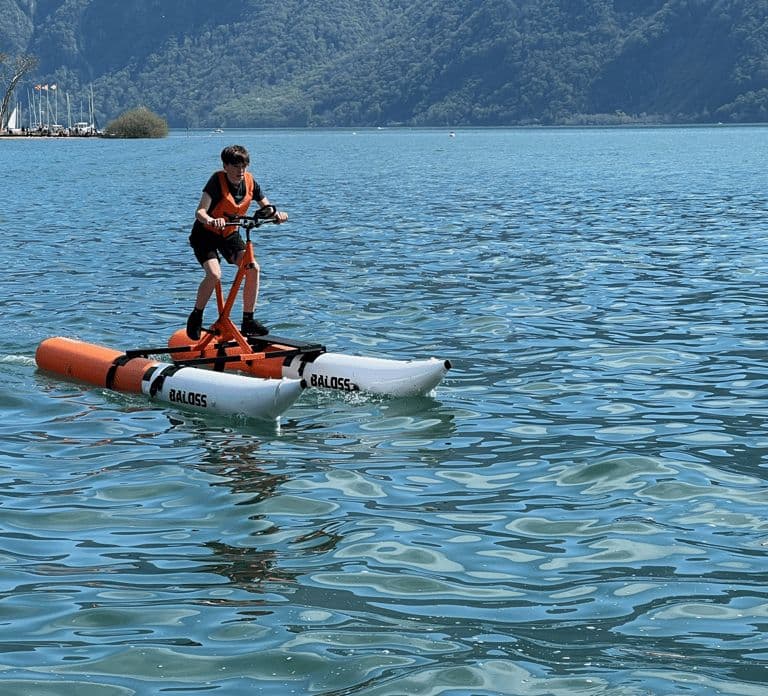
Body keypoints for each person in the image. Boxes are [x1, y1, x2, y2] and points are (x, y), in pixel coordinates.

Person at [186, 144, 287, 340]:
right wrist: (210, 219)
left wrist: (277, 215)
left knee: (252, 268)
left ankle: (248, 320)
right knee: (215, 274)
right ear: (225, 166)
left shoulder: (250, 182)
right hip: (205, 234)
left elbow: (266, 207)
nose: (241, 171)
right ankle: (196, 315)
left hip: (229, 234)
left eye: (244, 166)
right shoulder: (216, 181)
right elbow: (200, 211)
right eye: (236, 166)